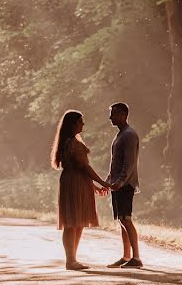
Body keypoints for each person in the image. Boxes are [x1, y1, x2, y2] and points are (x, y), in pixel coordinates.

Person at [52, 110, 111, 270]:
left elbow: (81, 169)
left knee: (77, 221)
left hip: (76, 181)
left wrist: (95, 187)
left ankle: (73, 259)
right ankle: (70, 260)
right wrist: (102, 182)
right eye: (80, 121)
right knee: (72, 222)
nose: (83, 124)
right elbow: (84, 167)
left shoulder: (70, 142)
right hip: (74, 183)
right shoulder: (72, 143)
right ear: (72, 124)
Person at [104, 102, 142, 269]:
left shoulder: (129, 135)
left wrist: (120, 181)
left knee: (126, 218)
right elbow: (115, 162)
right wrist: (108, 181)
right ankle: (126, 256)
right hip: (117, 183)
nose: (110, 117)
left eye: (113, 114)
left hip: (125, 184)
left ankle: (136, 257)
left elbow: (129, 163)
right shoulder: (120, 134)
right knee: (121, 219)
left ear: (123, 114)